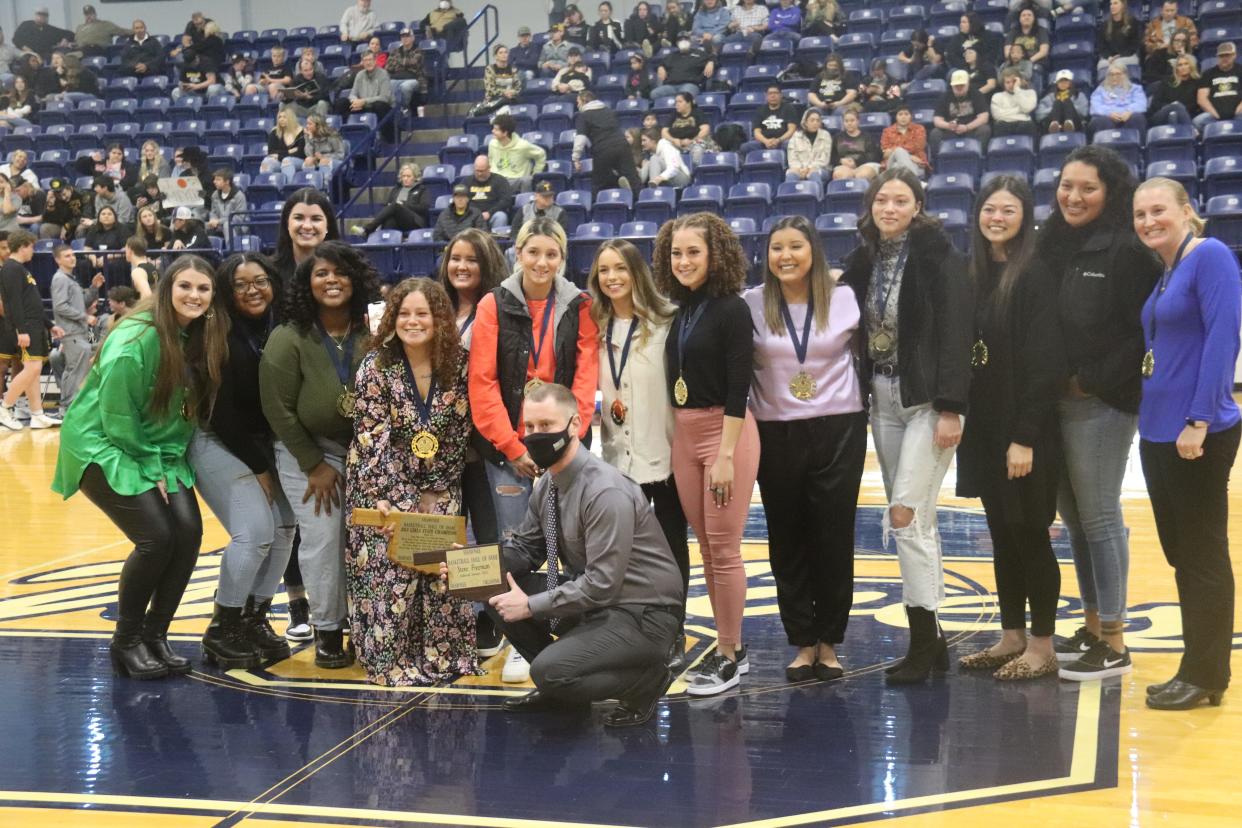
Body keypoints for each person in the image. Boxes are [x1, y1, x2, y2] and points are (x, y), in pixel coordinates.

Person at [52, 255, 228, 678]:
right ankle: (125, 642)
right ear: (167, 289)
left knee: (188, 535)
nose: (194, 295)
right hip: (103, 443)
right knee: (156, 538)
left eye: (203, 289)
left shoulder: (198, 335)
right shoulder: (136, 338)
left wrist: (166, 462)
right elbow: (116, 416)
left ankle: (156, 636)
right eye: (185, 286)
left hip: (157, 445)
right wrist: (153, 468)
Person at [480, 382, 684, 726]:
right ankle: (564, 693)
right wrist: (469, 567)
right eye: (529, 426)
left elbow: (602, 583)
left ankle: (645, 682)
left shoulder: (604, 491)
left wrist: (529, 606)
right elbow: (526, 548)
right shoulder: (548, 483)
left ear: (575, 425)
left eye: (546, 426)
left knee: (549, 670)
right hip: (598, 604)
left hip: (643, 613)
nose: (535, 435)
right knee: (496, 591)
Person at [839, 167, 972, 685]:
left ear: (917, 206)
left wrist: (952, 406)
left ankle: (922, 640)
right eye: (882, 200)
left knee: (904, 515)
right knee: (917, 521)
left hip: (927, 401)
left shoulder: (940, 255)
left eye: (900, 200)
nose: (890, 208)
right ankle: (933, 638)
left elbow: (959, 330)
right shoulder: (863, 259)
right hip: (883, 398)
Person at [1035, 145, 1161, 681]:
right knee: (1076, 520)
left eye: (1087, 187)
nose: (1074, 196)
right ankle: (1090, 625)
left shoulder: (1129, 250)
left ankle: (1114, 638)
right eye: (1067, 185)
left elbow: (1142, 331)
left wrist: (1092, 382)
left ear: (1110, 191)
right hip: (1055, 403)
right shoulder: (1050, 242)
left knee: (1102, 517)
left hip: (1100, 404)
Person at [468, 217, 599, 682]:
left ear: (562, 259)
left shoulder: (579, 305)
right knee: (516, 547)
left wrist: (567, 441)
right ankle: (524, 637)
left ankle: (577, 635)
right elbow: (481, 382)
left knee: (571, 544)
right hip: (509, 450)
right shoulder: (493, 304)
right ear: (517, 253)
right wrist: (510, 445)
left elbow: (585, 377)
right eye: (533, 252)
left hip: (563, 445)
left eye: (552, 254)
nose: (542, 262)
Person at [1133, 177, 1241, 710]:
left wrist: (1199, 418)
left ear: (1186, 211)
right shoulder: (1168, 271)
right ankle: (1192, 667)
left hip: (1195, 431)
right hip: (1157, 431)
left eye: (1158, 210)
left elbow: (1224, 338)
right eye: (1140, 214)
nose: (1149, 221)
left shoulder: (1211, 255)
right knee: (1183, 555)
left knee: (1202, 555)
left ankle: (1207, 675)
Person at [745, 216, 866, 683]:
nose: (786, 256)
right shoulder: (751, 304)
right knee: (786, 541)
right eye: (777, 248)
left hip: (839, 429)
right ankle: (801, 642)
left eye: (796, 246)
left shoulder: (844, 298)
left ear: (813, 250)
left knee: (833, 540)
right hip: (776, 433)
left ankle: (830, 643)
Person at [954, 176, 1065, 681]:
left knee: (1030, 534)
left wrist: (1024, 436)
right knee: (1000, 534)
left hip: (1024, 431)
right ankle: (1011, 636)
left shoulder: (1035, 275)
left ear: (1025, 218)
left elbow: (1047, 365)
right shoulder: (971, 273)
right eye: (989, 209)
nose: (997, 218)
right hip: (983, 429)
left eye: (1009, 210)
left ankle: (1042, 645)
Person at [345, 277, 480, 685]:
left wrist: (434, 491)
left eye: (422, 313)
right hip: (379, 487)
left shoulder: (460, 365)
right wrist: (396, 498)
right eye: (404, 313)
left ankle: (443, 655)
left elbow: (459, 432)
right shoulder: (375, 366)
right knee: (392, 568)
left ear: (439, 318)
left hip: (439, 482)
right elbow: (370, 438)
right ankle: (390, 657)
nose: (413, 321)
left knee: (441, 567)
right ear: (391, 318)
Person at [654, 212, 758, 696]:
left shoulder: (732, 308)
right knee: (707, 548)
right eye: (676, 252)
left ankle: (728, 656)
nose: (684, 261)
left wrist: (725, 454)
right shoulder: (683, 310)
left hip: (725, 431)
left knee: (724, 549)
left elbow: (740, 388)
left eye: (693, 251)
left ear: (715, 254)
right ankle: (731, 647)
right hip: (685, 432)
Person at [260, 241, 378, 668]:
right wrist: (313, 464)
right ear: (306, 284)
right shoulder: (288, 337)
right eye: (321, 274)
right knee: (325, 538)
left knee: (373, 538)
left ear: (356, 280)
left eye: (341, 272)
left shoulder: (374, 333)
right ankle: (328, 630)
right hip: (306, 452)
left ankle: (373, 626)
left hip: (367, 453)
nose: (332, 281)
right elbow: (278, 409)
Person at [188, 254, 295, 670]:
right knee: (254, 532)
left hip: (259, 441)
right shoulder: (217, 332)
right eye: (241, 284)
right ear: (226, 291)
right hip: (216, 437)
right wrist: (260, 467)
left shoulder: (280, 325)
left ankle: (254, 618)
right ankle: (222, 625)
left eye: (261, 281)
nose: (253, 290)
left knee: (286, 526)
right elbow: (221, 413)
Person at [587, 240, 688, 654]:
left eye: (620, 269)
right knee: (622, 553)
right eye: (604, 270)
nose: (612, 277)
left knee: (670, 546)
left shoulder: (668, 322)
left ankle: (674, 628)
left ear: (637, 273)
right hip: (616, 460)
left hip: (663, 455)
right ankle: (627, 627)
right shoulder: (594, 327)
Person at [437, 228, 507, 547]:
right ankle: (454, 600)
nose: (461, 266)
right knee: (445, 540)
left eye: (472, 260)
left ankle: (497, 600)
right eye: (455, 259)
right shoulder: (434, 310)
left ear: (488, 264)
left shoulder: (502, 311)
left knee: (491, 537)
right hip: (438, 444)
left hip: (484, 445)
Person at [0, 231, 60, 431]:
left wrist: (50, 325)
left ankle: (37, 415)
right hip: (25, 327)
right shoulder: (10, 268)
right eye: (32, 247)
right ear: (23, 245)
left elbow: (31, 302)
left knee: (32, 373)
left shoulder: (21, 269)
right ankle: (5, 407)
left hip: (34, 325)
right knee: (33, 369)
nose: (33, 251)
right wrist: (21, 330)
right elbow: (14, 302)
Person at [49, 245, 103, 408]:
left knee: (76, 370)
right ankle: (68, 408)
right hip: (71, 332)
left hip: (78, 332)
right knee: (73, 371)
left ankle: (69, 407)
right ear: (57, 260)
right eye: (66, 256)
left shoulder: (70, 279)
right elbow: (60, 306)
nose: (72, 258)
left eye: (72, 255)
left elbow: (81, 304)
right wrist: (84, 317)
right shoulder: (60, 279)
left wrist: (94, 288)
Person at [573, 90, 642, 195]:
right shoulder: (609, 111)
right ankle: (638, 201)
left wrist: (576, 158)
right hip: (622, 145)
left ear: (584, 101)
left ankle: (597, 206)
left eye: (578, 102)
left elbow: (580, 138)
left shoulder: (584, 115)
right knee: (632, 178)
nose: (577, 105)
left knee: (598, 183)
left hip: (603, 149)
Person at [351, 163, 429, 237]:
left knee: (395, 205)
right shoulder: (396, 189)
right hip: (397, 220)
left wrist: (404, 205)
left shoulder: (421, 189)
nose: (405, 179)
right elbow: (388, 205)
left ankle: (367, 229)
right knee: (389, 220)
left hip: (414, 221)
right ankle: (385, 247)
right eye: (403, 176)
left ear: (415, 177)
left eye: (408, 176)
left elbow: (424, 207)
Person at [334, 51, 395, 143]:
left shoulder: (383, 74)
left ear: (375, 61)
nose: (368, 62)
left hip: (379, 107)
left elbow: (384, 97)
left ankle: (386, 140)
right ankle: (342, 137)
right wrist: (355, 102)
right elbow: (353, 94)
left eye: (370, 60)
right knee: (341, 103)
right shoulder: (360, 74)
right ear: (362, 62)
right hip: (362, 106)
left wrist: (364, 101)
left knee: (380, 105)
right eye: (365, 60)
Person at [930, 70, 991, 156]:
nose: (959, 88)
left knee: (985, 130)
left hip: (971, 129)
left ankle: (980, 158)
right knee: (935, 133)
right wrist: (948, 126)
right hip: (951, 130)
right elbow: (937, 120)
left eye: (962, 85)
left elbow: (984, 117)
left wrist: (967, 127)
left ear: (968, 84)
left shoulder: (976, 94)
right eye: (956, 85)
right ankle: (938, 162)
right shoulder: (945, 96)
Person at [489, 114, 547, 194]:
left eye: (496, 129)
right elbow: (490, 161)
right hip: (496, 180)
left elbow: (541, 154)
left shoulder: (522, 146)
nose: (492, 131)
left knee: (526, 180)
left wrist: (535, 174)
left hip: (515, 181)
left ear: (505, 133)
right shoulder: (492, 144)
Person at [1090, 59, 1147, 136]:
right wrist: (1109, 113)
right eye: (1111, 74)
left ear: (1125, 75)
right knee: (1099, 121)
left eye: (1118, 74)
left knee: (1138, 118)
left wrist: (1129, 111)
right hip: (1107, 118)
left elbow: (1141, 104)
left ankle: (1137, 145)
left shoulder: (1136, 89)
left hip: (1128, 117)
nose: (1114, 77)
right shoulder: (1100, 90)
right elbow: (1095, 107)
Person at [661, 92, 717, 166]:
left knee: (698, 146)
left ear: (688, 103)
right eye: (676, 102)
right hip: (677, 143)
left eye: (680, 102)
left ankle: (695, 170)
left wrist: (692, 141)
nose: (677, 104)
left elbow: (705, 129)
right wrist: (673, 140)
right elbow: (664, 132)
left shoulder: (697, 113)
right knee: (662, 143)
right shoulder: (674, 114)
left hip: (694, 142)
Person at [1195, 42, 1240, 131]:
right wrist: (1216, 116)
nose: (1224, 58)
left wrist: (1237, 113)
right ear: (1217, 57)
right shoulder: (1208, 74)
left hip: (1239, 112)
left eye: (1227, 55)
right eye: (1221, 56)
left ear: (1234, 55)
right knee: (1197, 122)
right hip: (1214, 115)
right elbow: (1202, 99)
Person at [831, 106, 881, 181]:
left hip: (865, 164)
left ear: (858, 121)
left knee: (862, 175)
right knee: (841, 175)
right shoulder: (837, 137)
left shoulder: (867, 137)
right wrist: (840, 161)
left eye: (852, 120)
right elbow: (832, 157)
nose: (849, 123)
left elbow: (873, 156)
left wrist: (856, 162)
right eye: (846, 121)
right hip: (844, 165)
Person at [1147, 56, 1201, 127]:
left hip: (1187, 115)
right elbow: (1155, 103)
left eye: (1186, 64)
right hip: (1161, 115)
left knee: (1174, 114)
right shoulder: (1167, 82)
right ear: (1176, 68)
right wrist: (1171, 106)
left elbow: (1196, 105)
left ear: (1192, 66)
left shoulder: (1198, 83)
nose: (1183, 67)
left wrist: (1180, 108)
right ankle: (1191, 131)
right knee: (1176, 108)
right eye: (1180, 65)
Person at [465, 155, 514, 231]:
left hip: (493, 214)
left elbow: (506, 200)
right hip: (472, 215)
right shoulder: (467, 181)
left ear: (489, 168)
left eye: (482, 171)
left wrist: (490, 213)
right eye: (477, 171)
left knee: (501, 216)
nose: (479, 174)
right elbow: (461, 199)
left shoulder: (499, 180)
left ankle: (496, 241)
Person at [879, 104, 929, 178]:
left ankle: (910, 179)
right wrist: (909, 156)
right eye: (900, 114)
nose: (903, 117)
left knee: (898, 166)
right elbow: (885, 154)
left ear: (911, 116)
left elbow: (918, 146)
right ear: (896, 117)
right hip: (892, 162)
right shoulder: (887, 131)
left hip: (915, 164)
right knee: (898, 151)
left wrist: (894, 150)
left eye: (906, 114)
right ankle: (915, 182)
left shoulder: (919, 129)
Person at [472, 45, 523, 117]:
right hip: (494, 98)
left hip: (510, 97)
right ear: (495, 56)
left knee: (515, 100)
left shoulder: (512, 69)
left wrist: (512, 92)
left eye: (506, 52)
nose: (504, 54)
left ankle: (484, 109)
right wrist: (504, 92)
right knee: (504, 101)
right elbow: (490, 89)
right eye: (500, 53)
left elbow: (518, 87)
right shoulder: (490, 69)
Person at [785, 108, 833, 183]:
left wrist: (809, 168)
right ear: (806, 122)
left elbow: (824, 159)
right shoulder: (796, 136)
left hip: (820, 168)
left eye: (818, 120)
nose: (815, 123)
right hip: (800, 169)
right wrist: (800, 169)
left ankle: (817, 194)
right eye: (812, 120)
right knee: (791, 174)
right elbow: (792, 158)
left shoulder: (826, 135)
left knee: (813, 174)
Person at [1096, 0, 1141, 78]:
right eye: (1111, 4)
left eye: (1115, 3)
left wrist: (1120, 56)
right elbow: (1101, 46)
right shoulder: (1104, 25)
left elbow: (1134, 44)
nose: (1112, 6)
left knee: (1125, 62)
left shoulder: (1132, 22)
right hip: (1109, 59)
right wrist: (1109, 57)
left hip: (1127, 56)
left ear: (1123, 5)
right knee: (1101, 65)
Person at [387, 27, 426, 113]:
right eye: (403, 36)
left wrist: (397, 63)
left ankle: (403, 108)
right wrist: (405, 64)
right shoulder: (395, 51)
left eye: (407, 36)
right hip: (396, 78)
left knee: (405, 87)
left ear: (413, 38)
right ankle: (394, 111)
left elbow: (414, 63)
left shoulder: (419, 51)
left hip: (415, 79)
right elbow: (389, 67)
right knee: (389, 85)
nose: (405, 38)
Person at [1037, 69, 1089, 133]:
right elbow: (1039, 115)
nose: (1063, 83)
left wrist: (1069, 108)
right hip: (1050, 123)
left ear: (1070, 82)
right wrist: (1055, 109)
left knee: (1066, 101)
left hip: (1075, 122)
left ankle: (1069, 124)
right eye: (1061, 81)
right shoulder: (1049, 97)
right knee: (1058, 103)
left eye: (1066, 81)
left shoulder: (1079, 95)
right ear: (1057, 83)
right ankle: (1055, 124)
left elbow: (1084, 112)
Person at [990, 68, 1038, 138]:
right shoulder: (997, 96)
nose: (1011, 85)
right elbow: (997, 116)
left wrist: (1017, 89)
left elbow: (1027, 109)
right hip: (1004, 125)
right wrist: (1019, 110)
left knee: (1028, 125)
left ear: (1019, 81)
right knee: (999, 125)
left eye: (1014, 81)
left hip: (1024, 124)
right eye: (1008, 82)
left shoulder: (1030, 93)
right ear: (1003, 83)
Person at [751, 85, 799, 149]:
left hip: (783, 141)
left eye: (775, 93)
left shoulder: (789, 108)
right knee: (746, 147)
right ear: (766, 96)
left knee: (790, 145)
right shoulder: (760, 110)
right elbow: (756, 132)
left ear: (781, 95)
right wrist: (766, 141)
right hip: (765, 141)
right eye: (770, 93)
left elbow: (792, 130)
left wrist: (778, 140)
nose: (773, 96)